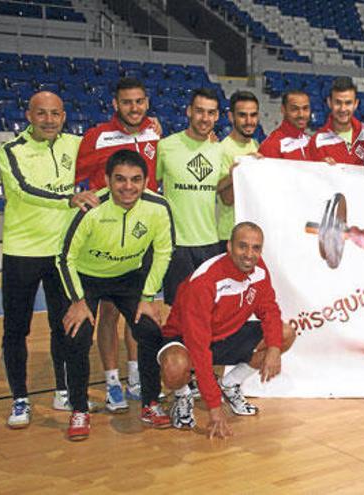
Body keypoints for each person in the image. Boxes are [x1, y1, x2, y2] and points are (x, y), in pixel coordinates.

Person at [58, 149, 174, 440]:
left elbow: (163, 252)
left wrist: (148, 297)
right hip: (87, 278)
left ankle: (149, 402)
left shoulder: (158, 207)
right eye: (120, 179)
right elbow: (64, 257)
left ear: (147, 181)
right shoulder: (91, 209)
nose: (128, 186)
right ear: (107, 180)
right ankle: (80, 409)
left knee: (149, 331)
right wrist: (77, 300)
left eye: (136, 180)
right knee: (77, 334)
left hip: (128, 278)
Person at [0, 91, 96, 428]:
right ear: (29, 116)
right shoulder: (10, 151)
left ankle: (62, 390)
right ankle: (20, 399)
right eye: (42, 114)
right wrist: (69, 199)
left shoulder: (75, 144)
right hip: (22, 251)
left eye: (55, 114)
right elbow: (23, 190)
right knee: (15, 329)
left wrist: (149, 129)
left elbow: (111, 151)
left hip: (61, 255)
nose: (49, 120)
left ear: (64, 116)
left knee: (62, 326)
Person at [158, 222, 297, 438]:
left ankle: (230, 384)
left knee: (284, 333)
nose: (249, 255)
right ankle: (182, 395)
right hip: (186, 338)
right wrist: (214, 409)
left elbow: (269, 309)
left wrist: (274, 349)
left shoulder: (259, 269)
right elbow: (199, 346)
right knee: (175, 366)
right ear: (229, 247)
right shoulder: (205, 281)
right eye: (243, 246)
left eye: (256, 248)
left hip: (225, 334)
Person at [75, 77, 161, 411]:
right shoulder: (97, 137)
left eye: (139, 101)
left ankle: (135, 375)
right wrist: (74, 196)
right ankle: (112, 382)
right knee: (109, 315)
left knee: (139, 311)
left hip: (144, 234)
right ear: (115, 104)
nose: (134, 108)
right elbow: (71, 176)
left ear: (147, 103)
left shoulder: (154, 131)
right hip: (107, 239)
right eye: (127, 102)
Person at [156, 88, 231, 305]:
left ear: (217, 116)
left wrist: (237, 173)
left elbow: (215, 187)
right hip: (176, 243)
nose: (204, 118)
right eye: (199, 111)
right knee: (177, 307)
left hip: (209, 241)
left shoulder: (219, 150)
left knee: (207, 305)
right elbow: (151, 185)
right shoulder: (166, 146)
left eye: (210, 113)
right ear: (189, 111)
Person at [215, 91, 260, 252]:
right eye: (242, 115)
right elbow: (226, 199)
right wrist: (243, 170)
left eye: (253, 115)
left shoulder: (255, 145)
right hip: (229, 234)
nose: (249, 121)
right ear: (231, 117)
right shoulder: (223, 149)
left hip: (250, 232)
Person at [308, 77, 364, 165]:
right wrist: (320, 167)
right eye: (338, 103)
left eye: (348, 103)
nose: (343, 109)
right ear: (329, 103)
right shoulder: (317, 141)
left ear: (356, 104)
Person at [257, 89, 311, 160]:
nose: (301, 114)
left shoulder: (310, 141)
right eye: (294, 109)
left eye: (305, 108)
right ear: (283, 110)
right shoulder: (271, 145)